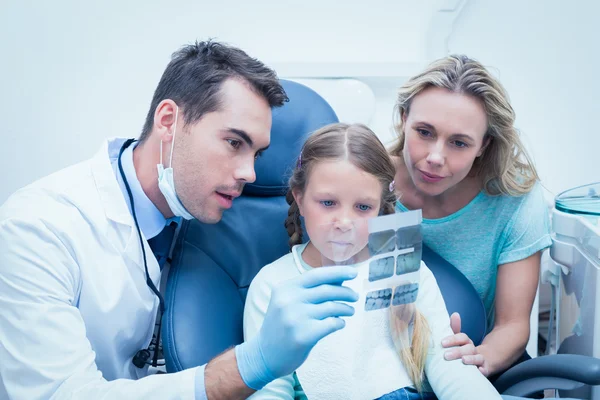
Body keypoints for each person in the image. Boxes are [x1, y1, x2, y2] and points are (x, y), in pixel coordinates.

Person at [0, 40, 360, 400]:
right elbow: (58, 395)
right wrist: (252, 364)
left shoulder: (203, 210)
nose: (250, 173)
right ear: (169, 121)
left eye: (257, 153)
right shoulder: (38, 228)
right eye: (235, 143)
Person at [243, 123, 503, 399]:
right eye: (328, 203)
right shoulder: (274, 285)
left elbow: (448, 367)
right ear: (300, 198)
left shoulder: (400, 265)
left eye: (363, 207)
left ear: (380, 210)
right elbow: (270, 390)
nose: (344, 223)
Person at [389, 54, 553, 384]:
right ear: (404, 119)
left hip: (471, 360)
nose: (435, 157)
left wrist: (475, 362)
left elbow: (512, 325)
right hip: (386, 361)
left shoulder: (516, 201)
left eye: (459, 143)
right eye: (424, 131)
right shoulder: (370, 183)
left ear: (483, 145)